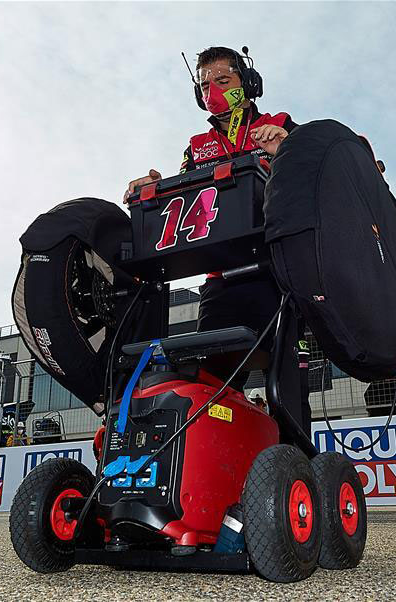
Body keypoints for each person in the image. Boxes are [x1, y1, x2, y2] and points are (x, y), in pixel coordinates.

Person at [123, 46, 310, 437]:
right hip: (220, 278)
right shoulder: (197, 145)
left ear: (247, 84)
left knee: (286, 384)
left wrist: (286, 153)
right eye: (205, 84)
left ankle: (298, 469)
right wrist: (152, 189)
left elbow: (314, 181)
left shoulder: (280, 123)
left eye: (223, 80)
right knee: (214, 383)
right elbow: (184, 195)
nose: (213, 90)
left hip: (277, 271)